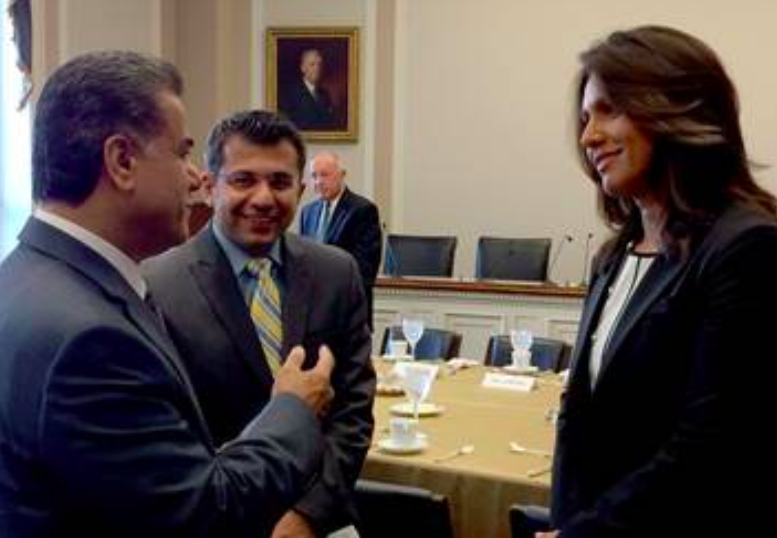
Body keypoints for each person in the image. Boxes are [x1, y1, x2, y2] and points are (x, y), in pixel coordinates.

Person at [0, 51, 337, 537]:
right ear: (121, 161)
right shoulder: (89, 340)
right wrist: (293, 408)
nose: (195, 177)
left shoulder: (28, 278)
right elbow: (204, 517)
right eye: (181, 152)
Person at [539, 26, 777, 537]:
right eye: (585, 118)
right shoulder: (614, 255)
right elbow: (578, 422)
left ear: (676, 109)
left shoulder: (748, 246)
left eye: (608, 110)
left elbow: (710, 443)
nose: (588, 137)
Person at [143, 110, 376, 537]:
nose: (265, 198)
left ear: (301, 190)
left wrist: (308, 514)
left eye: (280, 182)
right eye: (244, 180)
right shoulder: (157, 284)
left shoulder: (336, 274)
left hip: (322, 521)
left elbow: (354, 411)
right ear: (211, 187)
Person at [299, 151, 382, 328]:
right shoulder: (308, 212)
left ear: (342, 175)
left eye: (325, 175)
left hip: (348, 311)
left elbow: (365, 268)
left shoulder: (362, 210)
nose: (318, 181)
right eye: (314, 176)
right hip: (312, 313)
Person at [279, 48, 338, 130]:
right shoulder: (290, 93)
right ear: (303, 68)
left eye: (319, 64)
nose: (317, 68)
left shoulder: (325, 94)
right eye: (312, 64)